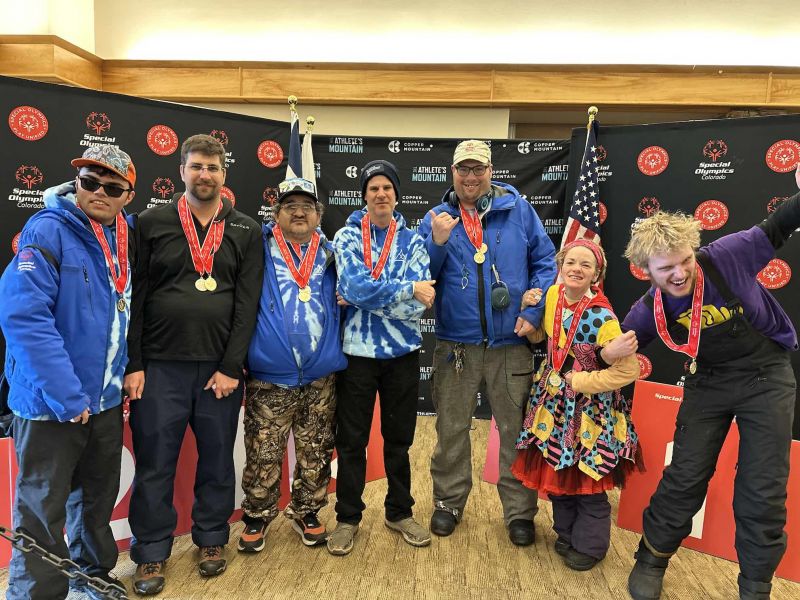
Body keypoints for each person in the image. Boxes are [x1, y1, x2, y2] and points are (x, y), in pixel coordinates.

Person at [615, 165, 800, 600]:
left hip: (766, 376)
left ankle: (756, 584)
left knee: (763, 486)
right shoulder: (647, 311)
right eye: (666, 269)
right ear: (646, 271)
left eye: (684, 261)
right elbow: (616, 351)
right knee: (685, 476)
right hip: (709, 382)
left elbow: (781, 223)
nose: (679, 273)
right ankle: (652, 558)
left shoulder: (731, 253)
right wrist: (606, 354)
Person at [123, 134, 263, 595]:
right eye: (197, 167)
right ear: (182, 171)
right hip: (159, 367)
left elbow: (247, 305)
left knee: (218, 461)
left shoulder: (245, 228)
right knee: (155, 463)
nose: (206, 175)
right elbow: (135, 296)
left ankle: (210, 538)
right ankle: (150, 551)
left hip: (218, 371)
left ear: (225, 174)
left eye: (214, 168)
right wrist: (135, 362)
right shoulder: (150, 223)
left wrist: (231, 365)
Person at [0, 145, 136, 599]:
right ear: (76, 183)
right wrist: (66, 395)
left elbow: (124, 312)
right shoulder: (46, 231)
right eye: (90, 181)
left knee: (95, 503)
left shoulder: (124, 237)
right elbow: (25, 318)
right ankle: (36, 594)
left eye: (112, 186)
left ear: (127, 196)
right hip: (50, 405)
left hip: (104, 401)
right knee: (41, 511)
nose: (99, 191)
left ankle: (92, 580)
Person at [417, 139, 557, 545]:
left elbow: (546, 263)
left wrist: (533, 314)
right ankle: (447, 503)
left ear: (491, 170)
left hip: (510, 342)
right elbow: (422, 275)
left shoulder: (518, 211)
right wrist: (437, 242)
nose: (471, 177)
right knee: (451, 429)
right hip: (455, 345)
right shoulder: (437, 218)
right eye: (463, 169)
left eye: (478, 169)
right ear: (452, 173)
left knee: (515, 430)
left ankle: (519, 513)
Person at [511, 239, 640, 571]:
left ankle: (591, 545)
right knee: (558, 470)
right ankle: (566, 533)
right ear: (560, 266)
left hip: (589, 411)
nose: (576, 269)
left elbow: (628, 370)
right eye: (571, 262)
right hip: (553, 403)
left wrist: (583, 381)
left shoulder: (602, 315)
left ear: (597, 274)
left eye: (586, 265)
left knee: (589, 480)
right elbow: (544, 338)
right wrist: (529, 312)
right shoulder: (553, 295)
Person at [327, 160, 434, 555]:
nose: (381, 194)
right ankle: (347, 518)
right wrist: (407, 289)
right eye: (373, 188)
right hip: (356, 355)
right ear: (364, 195)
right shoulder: (346, 236)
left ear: (396, 194)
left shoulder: (415, 242)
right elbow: (354, 285)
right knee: (352, 441)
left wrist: (364, 297)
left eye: (387, 187)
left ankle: (399, 511)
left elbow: (416, 310)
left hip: (402, 354)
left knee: (399, 441)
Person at [237, 177, 346, 553]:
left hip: (320, 377)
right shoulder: (257, 249)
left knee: (316, 450)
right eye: (290, 206)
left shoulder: (333, 253)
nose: (299, 212)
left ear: (319, 213)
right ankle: (257, 514)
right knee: (263, 451)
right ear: (276, 213)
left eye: (307, 206)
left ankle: (307, 510)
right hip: (271, 377)